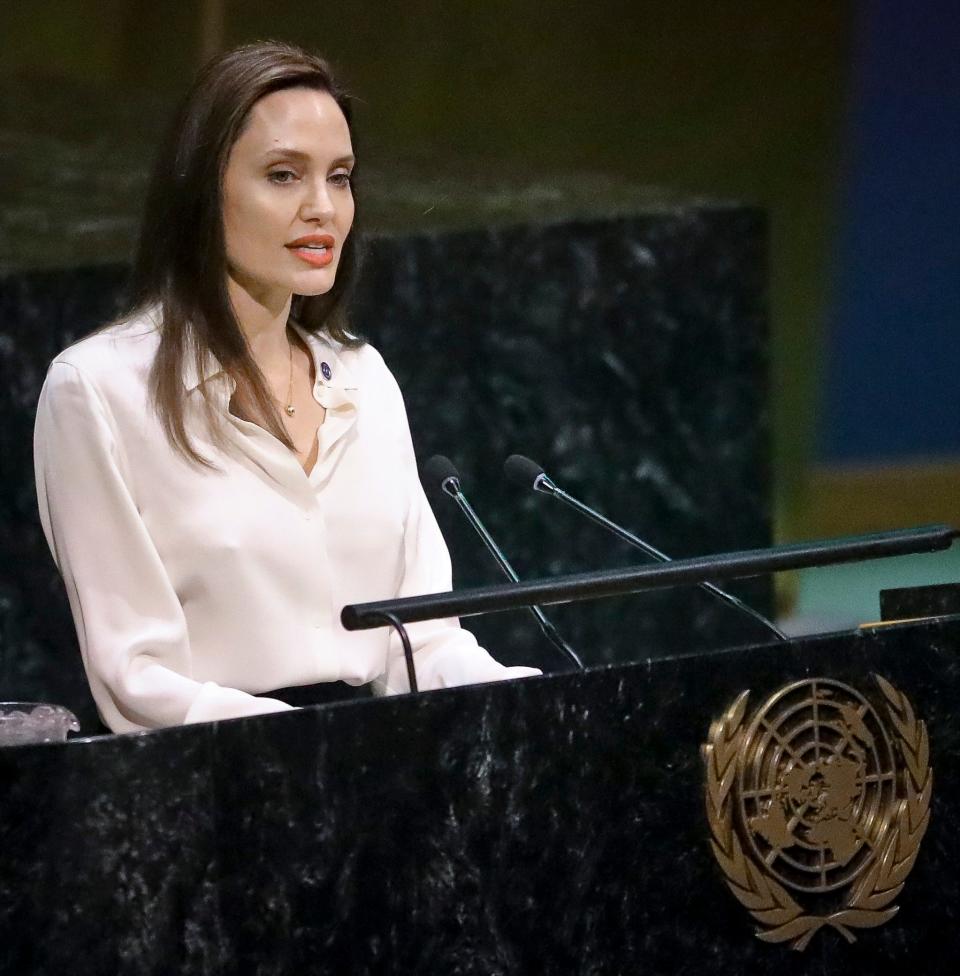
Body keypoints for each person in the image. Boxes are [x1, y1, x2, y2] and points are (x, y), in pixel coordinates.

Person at [33, 41, 540, 734]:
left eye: (340, 177)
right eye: (282, 175)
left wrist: (529, 705)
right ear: (202, 191)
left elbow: (422, 642)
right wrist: (302, 757)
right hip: (218, 787)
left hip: (387, 779)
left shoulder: (367, 381)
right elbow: (138, 678)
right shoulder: (98, 392)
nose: (322, 208)